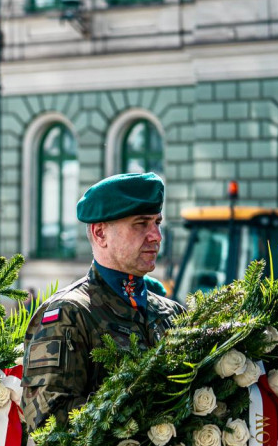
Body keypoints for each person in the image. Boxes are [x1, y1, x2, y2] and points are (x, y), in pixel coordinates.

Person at [21, 172, 186, 432]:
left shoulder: (171, 312)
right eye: (141, 224)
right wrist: (146, 422)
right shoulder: (68, 314)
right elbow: (47, 421)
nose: (156, 236)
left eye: (157, 222)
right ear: (100, 233)